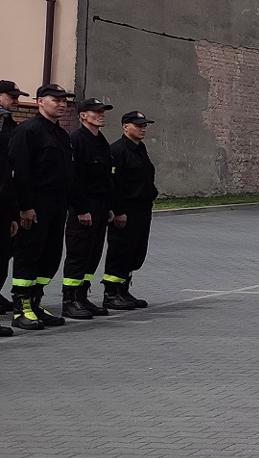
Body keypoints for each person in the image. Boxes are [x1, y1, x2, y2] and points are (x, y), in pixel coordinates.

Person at [9, 84, 76, 330]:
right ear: (39, 102)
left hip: (57, 205)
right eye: (55, 99)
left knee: (50, 256)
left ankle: (36, 301)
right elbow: (21, 172)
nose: (61, 104)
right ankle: (21, 307)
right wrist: (25, 207)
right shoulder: (28, 131)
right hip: (35, 204)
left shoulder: (60, 135)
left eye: (64, 100)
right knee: (29, 254)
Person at [60, 98, 117, 320]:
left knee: (93, 254)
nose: (100, 115)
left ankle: (82, 296)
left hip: (100, 206)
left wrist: (109, 207)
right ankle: (69, 300)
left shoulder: (101, 141)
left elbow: (105, 177)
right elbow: (74, 179)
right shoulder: (77, 139)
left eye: (102, 111)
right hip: (83, 206)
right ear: (83, 115)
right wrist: (81, 208)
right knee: (78, 253)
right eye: (95, 111)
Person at [102, 111, 158, 310]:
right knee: (120, 250)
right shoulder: (118, 150)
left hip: (142, 207)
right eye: (138, 125)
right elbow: (114, 184)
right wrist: (118, 211)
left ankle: (123, 289)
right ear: (125, 126)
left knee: (136, 250)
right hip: (126, 209)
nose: (142, 129)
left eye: (144, 125)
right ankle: (111, 292)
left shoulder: (140, 149)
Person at [0, 80, 23, 321]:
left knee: (4, 253)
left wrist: (13, 212)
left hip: (6, 202)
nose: (15, 101)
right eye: (11, 96)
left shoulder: (11, 126)